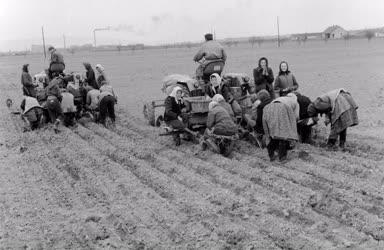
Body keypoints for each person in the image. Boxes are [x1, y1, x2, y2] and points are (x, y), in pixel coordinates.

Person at [263, 93, 299, 162]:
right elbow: (296, 117)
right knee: (284, 135)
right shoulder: (296, 102)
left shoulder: (281, 98)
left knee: (273, 134)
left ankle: (271, 156)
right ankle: (282, 158)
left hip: (269, 107)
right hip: (283, 108)